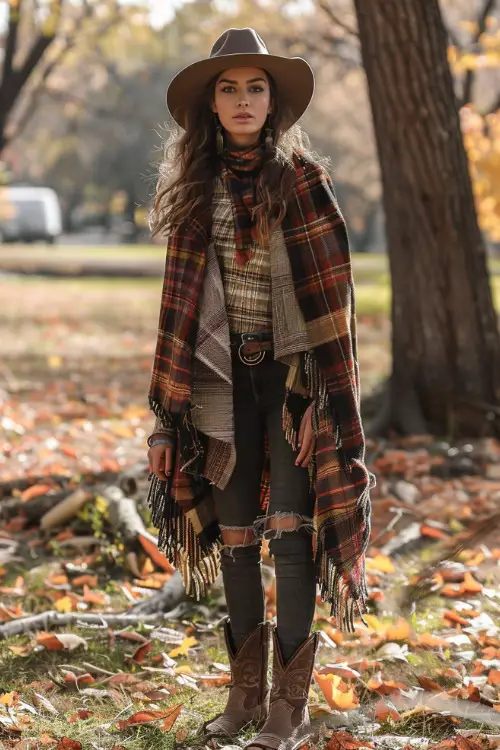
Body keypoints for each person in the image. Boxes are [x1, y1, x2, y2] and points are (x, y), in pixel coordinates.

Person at [146, 27, 375, 750]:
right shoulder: (193, 190)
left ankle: (290, 710)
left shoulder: (304, 181)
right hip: (220, 381)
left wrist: (319, 404)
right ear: (210, 106)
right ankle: (244, 700)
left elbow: (333, 307)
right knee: (238, 534)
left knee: (291, 535)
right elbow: (176, 313)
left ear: (273, 103)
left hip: (291, 383)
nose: (242, 100)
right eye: (228, 87)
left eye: (254, 88)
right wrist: (164, 421)